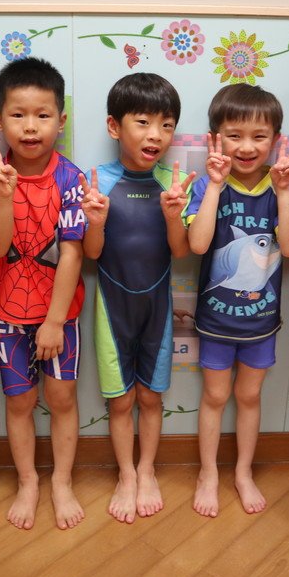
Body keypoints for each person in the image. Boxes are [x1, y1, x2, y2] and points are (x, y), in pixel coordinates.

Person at [0, 57, 86, 531]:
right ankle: (28, 481)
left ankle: (61, 480)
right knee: (19, 402)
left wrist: (55, 321)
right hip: (8, 314)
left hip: (60, 314)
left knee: (61, 399)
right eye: (18, 114)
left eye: (43, 115)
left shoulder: (71, 179)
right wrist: (3, 196)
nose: (30, 126)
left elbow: (72, 254)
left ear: (61, 121)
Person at [79, 73, 193, 524]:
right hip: (112, 309)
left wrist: (174, 215)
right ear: (114, 126)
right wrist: (95, 222)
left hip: (157, 310)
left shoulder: (173, 183)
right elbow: (92, 255)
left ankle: (147, 470)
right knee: (121, 400)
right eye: (143, 122)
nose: (155, 135)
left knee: (150, 397)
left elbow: (180, 253)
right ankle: (126, 474)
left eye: (166, 125)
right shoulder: (98, 181)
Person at [186, 83, 289, 518]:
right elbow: (198, 245)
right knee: (215, 397)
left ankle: (243, 471)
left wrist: (284, 193)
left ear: (276, 140)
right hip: (216, 322)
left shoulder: (281, 188)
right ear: (215, 138)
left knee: (249, 397)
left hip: (261, 323)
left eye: (259, 136)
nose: (247, 147)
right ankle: (208, 473)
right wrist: (216, 186)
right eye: (234, 135)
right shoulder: (206, 185)